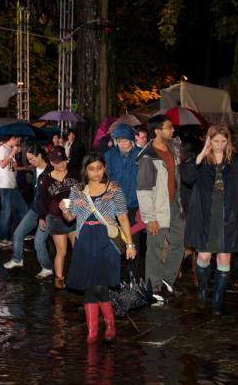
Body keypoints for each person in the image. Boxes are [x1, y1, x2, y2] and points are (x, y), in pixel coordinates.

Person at [61, 152, 137, 343]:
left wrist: (129, 244)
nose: (96, 173)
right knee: (88, 287)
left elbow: (123, 217)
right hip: (85, 240)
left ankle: (110, 324)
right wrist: (64, 209)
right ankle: (92, 331)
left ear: (105, 168)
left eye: (99, 168)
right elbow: (70, 218)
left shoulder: (114, 189)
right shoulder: (77, 190)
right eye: (91, 169)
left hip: (106, 240)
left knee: (101, 287)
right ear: (85, 170)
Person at [183, 125, 238, 315]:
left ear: (228, 141)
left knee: (224, 256)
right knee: (203, 255)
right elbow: (187, 177)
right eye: (215, 141)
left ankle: (218, 299)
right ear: (208, 140)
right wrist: (202, 154)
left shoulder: (236, 160)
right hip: (204, 213)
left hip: (228, 215)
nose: (219, 145)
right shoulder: (200, 160)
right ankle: (203, 291)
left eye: (223, 141)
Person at [136, 114, 186, 295]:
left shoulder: (173, 150)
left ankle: (166, 279)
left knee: (179, 243)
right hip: (157, 209)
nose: (172, 130)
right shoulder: (148, 157)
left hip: (173, 205)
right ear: (157, 131)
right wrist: (150, 218)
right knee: (155, 249)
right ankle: (153, 287)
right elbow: (143, 190)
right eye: (168, 127)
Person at [3, 144, 54, 279]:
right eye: (28, 160)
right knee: (18, 234)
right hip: (35, 209)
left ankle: (47, 267)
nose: (30, 162)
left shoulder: (50, 172)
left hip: (48, 212)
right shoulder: (35, 169)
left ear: (39, 155)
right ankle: (17, 259)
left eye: (31, 159)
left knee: (38, 242)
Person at [39, 146, 80, 289]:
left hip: (75, 217)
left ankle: (77, 276)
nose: (60, 165)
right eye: (57, 162)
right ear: (51, 163)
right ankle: (59, 278)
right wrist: (42, 217)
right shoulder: (46, 180)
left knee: (78, 249)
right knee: (61, 250)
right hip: (56, 219)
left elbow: (83, 190)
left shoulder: (75, 174)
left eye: (62, 161)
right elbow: (42, 200)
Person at [103, 124, 142, 273]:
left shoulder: (140, 154)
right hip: (114, 205)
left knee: (133, 240)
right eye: (119, 140)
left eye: (125, 140)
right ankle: (114, 274)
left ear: (132, 140)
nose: (122, 144)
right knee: (114, 240)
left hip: (134, 205)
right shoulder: (109, 155)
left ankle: (132, 275)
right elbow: (103, 177)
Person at [0, 135, 28, 249]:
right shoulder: (2, 149)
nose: (19, 142)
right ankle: (1, 239)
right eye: (19, 139)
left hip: (12, 185)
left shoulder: (10, 150)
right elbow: (2, 165)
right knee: (6, 213)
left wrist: (24, 167)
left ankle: (17, 234)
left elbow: (11, 168)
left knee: (22, 208)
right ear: (13, 138)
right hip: (5, 186)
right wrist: (13, 153)